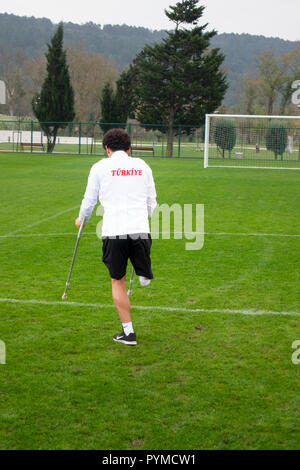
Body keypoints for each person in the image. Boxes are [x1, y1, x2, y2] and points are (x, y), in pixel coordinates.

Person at [75, 128, 157, 346]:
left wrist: (81, 219)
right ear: (129, 149)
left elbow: (89, 200)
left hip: (114, 231)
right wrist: (144, 217)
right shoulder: (142, 166)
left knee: (117, 280)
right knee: (138, 263)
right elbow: (152, 202)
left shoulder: (100, 167)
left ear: (106, 149)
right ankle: (143, 270)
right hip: (139, 229)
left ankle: (128, 333)